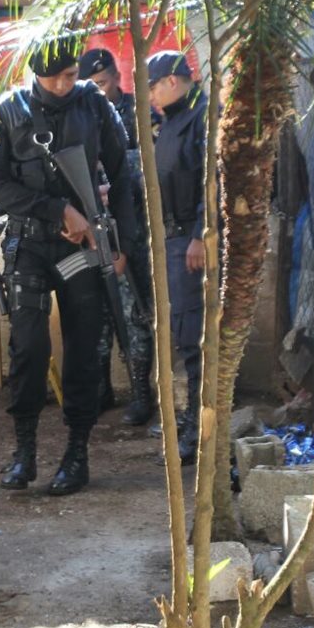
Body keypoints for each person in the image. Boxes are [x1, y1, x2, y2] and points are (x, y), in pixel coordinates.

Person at [0, 38, 139, 495]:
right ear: (36, 74)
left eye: (72, 75)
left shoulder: (93, 106)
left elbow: (122, 173)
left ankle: (77, 453)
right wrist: (57, 211)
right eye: (57, 77)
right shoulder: (6, 111)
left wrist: (122, 242)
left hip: (81, 249)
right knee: (29, 348)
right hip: (28, 244)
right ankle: (24, 451)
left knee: (83, 348)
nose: (66, 84)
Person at [78, 48, 156, 425]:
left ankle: (142, 392)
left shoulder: (140, 114)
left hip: (130, 230)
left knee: (133, 311)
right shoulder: (77, 116)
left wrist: (117, 173)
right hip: (90, 232)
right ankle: (102, 389)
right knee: (97, 314)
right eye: (92, 85)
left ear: (116, 78)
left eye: (104, 83)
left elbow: (155, 166)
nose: (99, 91)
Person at [146, 50, 208, 465]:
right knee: (181, 335)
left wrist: (202, 235)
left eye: (151, 87)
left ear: (171, 81)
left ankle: (198, 428)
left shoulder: (201, 117)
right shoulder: (171, 121)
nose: (148, 96)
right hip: (171, 240)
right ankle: (189, 421)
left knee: (193, 339)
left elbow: (212, 180)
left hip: (190, 239)